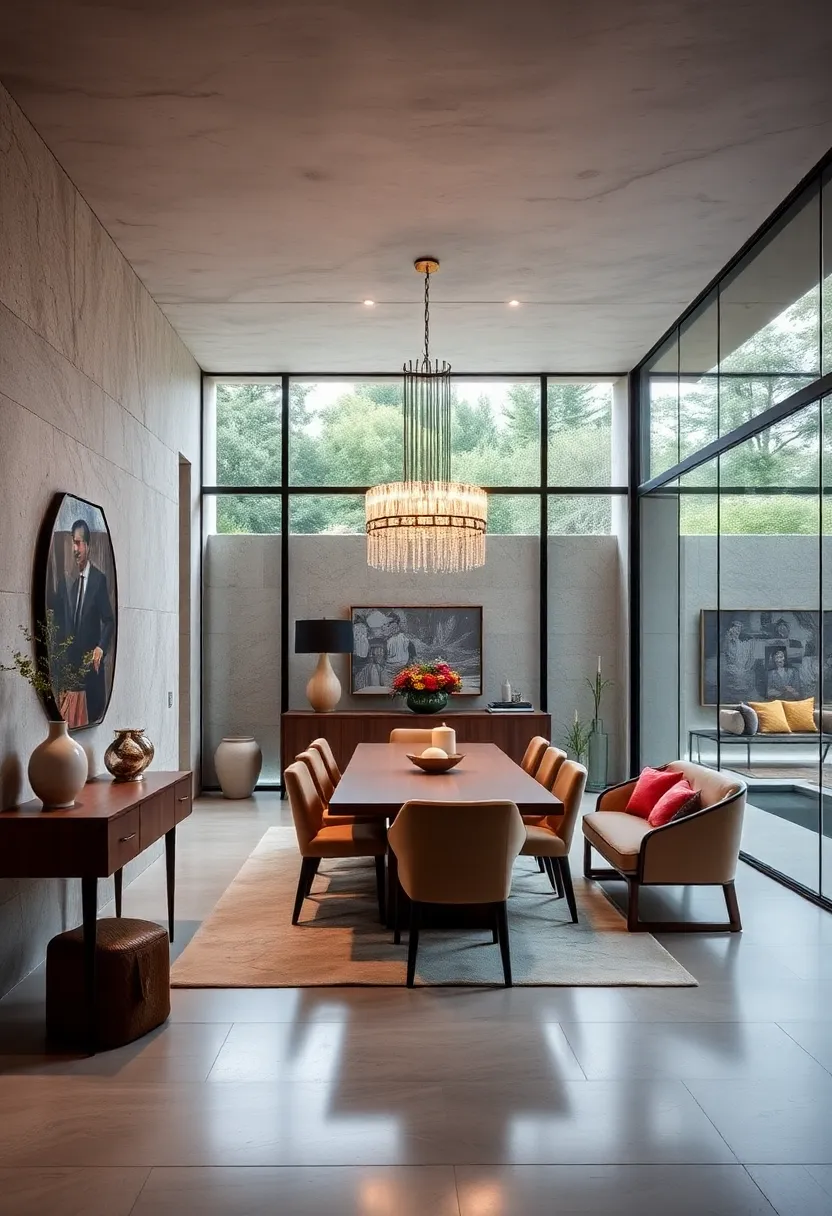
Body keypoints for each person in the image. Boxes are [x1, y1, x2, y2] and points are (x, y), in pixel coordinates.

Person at [53, 519, 115, 724]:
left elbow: (108, 621)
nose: (75, 548)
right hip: (71, 675)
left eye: (79, 543)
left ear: (87, 546)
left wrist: (100, 647)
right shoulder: (68, 585)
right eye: (73, 542)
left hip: (92, 674)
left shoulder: (99, 580)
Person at [720, 618, 755, 703]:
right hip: (730, 669)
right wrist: (728, 638)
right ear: (730, 629)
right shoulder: (726, 641)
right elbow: (723, 652)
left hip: (741, 670)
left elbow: (748, 658)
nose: (738, 630)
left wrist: (747, 668)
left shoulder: (742, 643)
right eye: (736, 628)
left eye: (739, 628)